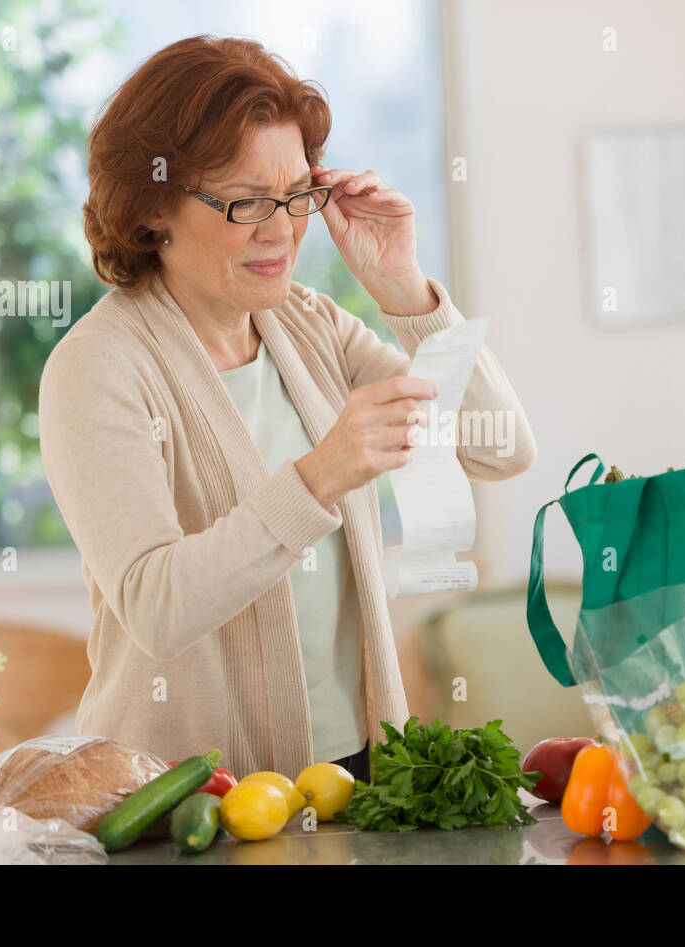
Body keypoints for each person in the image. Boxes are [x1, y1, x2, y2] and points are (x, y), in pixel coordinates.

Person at [37, 35, 535, 784]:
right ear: (154, 210)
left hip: (356, 773)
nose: (282, 228)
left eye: (297, 194)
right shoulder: (98, 366)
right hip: (184, 800)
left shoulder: (311, 325)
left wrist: (403, 286)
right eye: (246, 201)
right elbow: (156, 605)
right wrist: (319, 476)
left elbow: (499, 447)